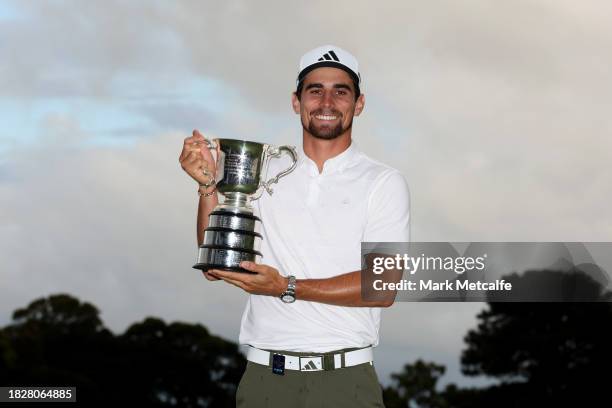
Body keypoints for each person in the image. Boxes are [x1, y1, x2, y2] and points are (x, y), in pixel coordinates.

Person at [179, 45, 410, 408]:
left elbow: (382, 286)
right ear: (296, 101)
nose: (327, 101)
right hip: (265, 381)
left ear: (359, 103)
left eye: (341, 90)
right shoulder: (264, 170)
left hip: (345, 381)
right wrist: (208, 185)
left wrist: (286, 287)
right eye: (315, 90)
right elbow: (215, 266)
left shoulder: (383, 181)